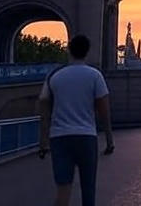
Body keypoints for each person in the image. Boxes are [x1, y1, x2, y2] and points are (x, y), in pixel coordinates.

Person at [38, 35, 114, 206]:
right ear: (87, 52)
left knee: (63, 189)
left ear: (69, 50)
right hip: (86, 137)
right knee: (88, 189)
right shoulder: (95, 76)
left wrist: (43, 143)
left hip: (59, 138)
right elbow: (104, 111)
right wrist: (109, 140)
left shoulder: (54, 76)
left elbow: (43, 104)